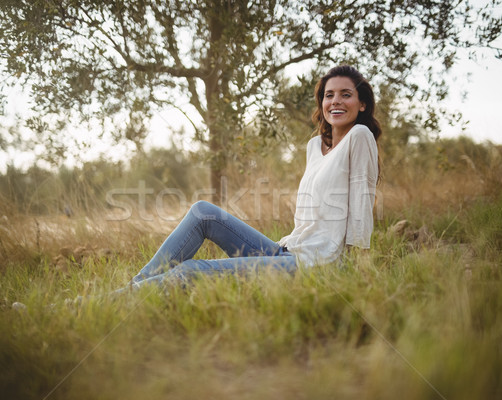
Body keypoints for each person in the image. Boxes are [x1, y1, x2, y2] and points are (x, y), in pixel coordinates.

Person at [123, 64, 381, 291]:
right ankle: (132, 290)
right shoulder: (314, 147)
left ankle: (116, 300)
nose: (336, 101)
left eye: (346, 95)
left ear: (362, 104)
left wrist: (356, 269)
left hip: (315, 265)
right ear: (321, 103)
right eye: (329, 95)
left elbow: (362, 202)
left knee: (190, 270)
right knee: (203, 212)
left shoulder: (359, 135)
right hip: (286, 251)